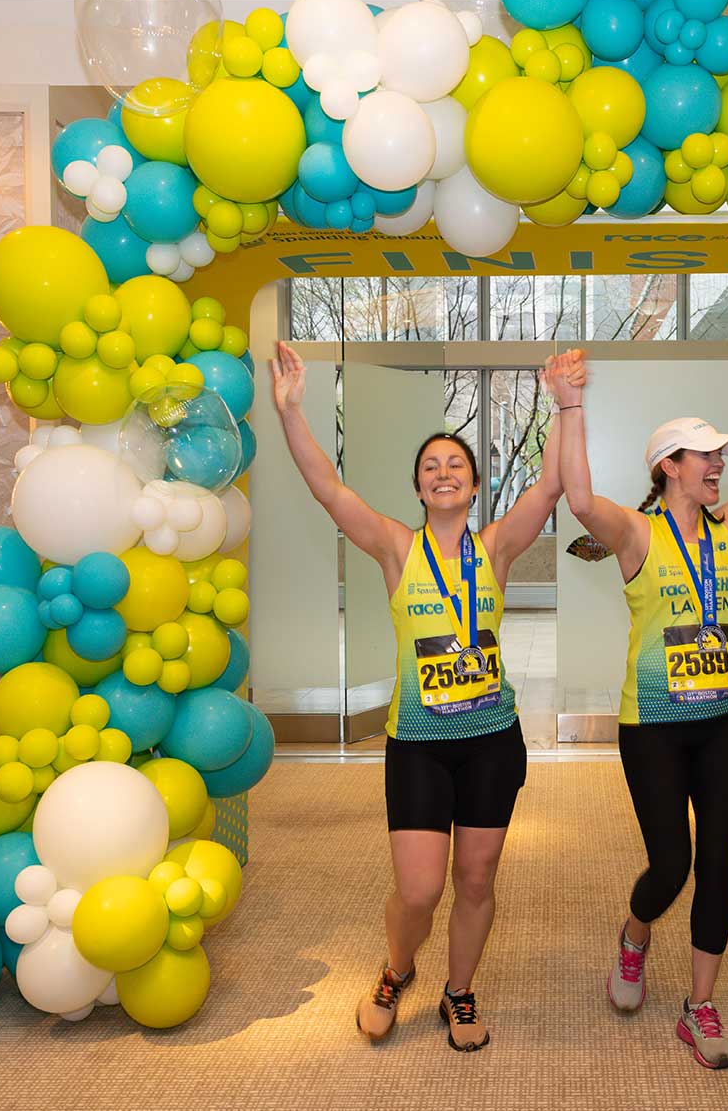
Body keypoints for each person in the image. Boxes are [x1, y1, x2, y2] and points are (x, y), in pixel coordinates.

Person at [547, 345, 728, 1070]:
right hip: (653, 728)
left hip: (724, 725)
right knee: (670, 864)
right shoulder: (638, 534)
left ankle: (699, 1006)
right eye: (702, 455)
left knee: (718, 862)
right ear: (667, 466)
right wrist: (571, 405)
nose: (717, 465)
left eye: (719, 455)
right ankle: (635, 932)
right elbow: (580, 501)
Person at [270, 341, 566, 1052]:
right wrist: (290, 412)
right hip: (420, 743)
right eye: (430, 466)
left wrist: (563, 405)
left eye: (455, 464)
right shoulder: (398, 548)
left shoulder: (494, 547)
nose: (443, 473)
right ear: (418, 487)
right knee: (419, 889)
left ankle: (459, 992)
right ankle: (395, 969)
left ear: (473, 482)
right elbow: (328, 490)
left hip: (492, 737)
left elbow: (550, 488)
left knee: (475, 876)